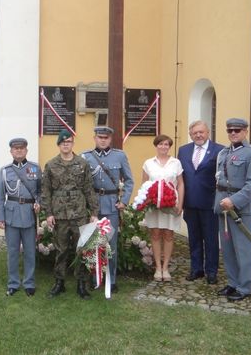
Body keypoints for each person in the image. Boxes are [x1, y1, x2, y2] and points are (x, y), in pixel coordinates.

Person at [42, 129, 99, 299]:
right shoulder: (51, 165)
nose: (66, 145)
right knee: (61, 250)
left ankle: (82, 284)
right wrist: (49, 213)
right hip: (60, 214)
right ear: (59, 145)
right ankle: (59, 282)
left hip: (79, 213)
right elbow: (46, 191)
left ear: (72, 144)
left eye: (69, 142)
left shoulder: (82, 164)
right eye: (63, 142)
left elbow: (89, 188)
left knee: (81, 249)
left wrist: (94, 212)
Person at [214, 118, 251, 301]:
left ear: (245, 131)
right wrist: (220, 203)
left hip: (241, 209)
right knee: (228, 249)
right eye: (230, 130)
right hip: (223, 207)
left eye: (237, 130)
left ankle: (244, 287)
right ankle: (233, 282)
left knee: (244, 250)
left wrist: (234, 201)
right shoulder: (224, 153)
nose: (233, 133)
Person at [81, 126, 134, 292]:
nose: (103, 140)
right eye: (100, 137)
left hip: (111, 205)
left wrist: (124, 201)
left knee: (111, 243)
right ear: (95, 138)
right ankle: (94, 277)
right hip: (93, 207)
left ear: (110, 139)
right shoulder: (86, 157)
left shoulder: (119, 156)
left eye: (106, 138)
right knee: (92, 242)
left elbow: (129, 180)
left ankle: (111, 279)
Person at [178, 121, 224, 284]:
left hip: (210, 202)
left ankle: (211, 271)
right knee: (194, 238)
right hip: (190, 202)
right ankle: (196, 269)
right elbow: (180, 177)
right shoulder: (183, 151)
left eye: (201, 132)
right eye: (195, 133)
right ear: (190, 134)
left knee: (211, 239)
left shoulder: (219, 150)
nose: (198, 135)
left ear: (208, 133)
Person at [0, 138, 41, 297]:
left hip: (29, 215)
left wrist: (39, 203)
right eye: (16, 149)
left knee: (30, 251)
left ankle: (29, 283)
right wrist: (0, 217)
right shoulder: (4, 170)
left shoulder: (35, 168)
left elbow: (41, 192)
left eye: (22, 148)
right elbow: (0, 196)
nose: (19, 151)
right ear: (11, 152)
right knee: (13, 251)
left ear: (26, 150)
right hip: (12, 215)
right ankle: (13, 283)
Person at [141, 134, 184, 282]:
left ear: (169, 147)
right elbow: (144, 184)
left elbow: (180, 184)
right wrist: (145, 201)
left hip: (170, 202)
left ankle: (166, 267)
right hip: (153, 204)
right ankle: (157, 267)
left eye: (166, 144)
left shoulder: (176, 162)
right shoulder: (148, 163)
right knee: (155, 234)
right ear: (156, 146)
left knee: (168, 234)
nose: (164, 147)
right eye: (161, 144)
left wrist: (180, 203)